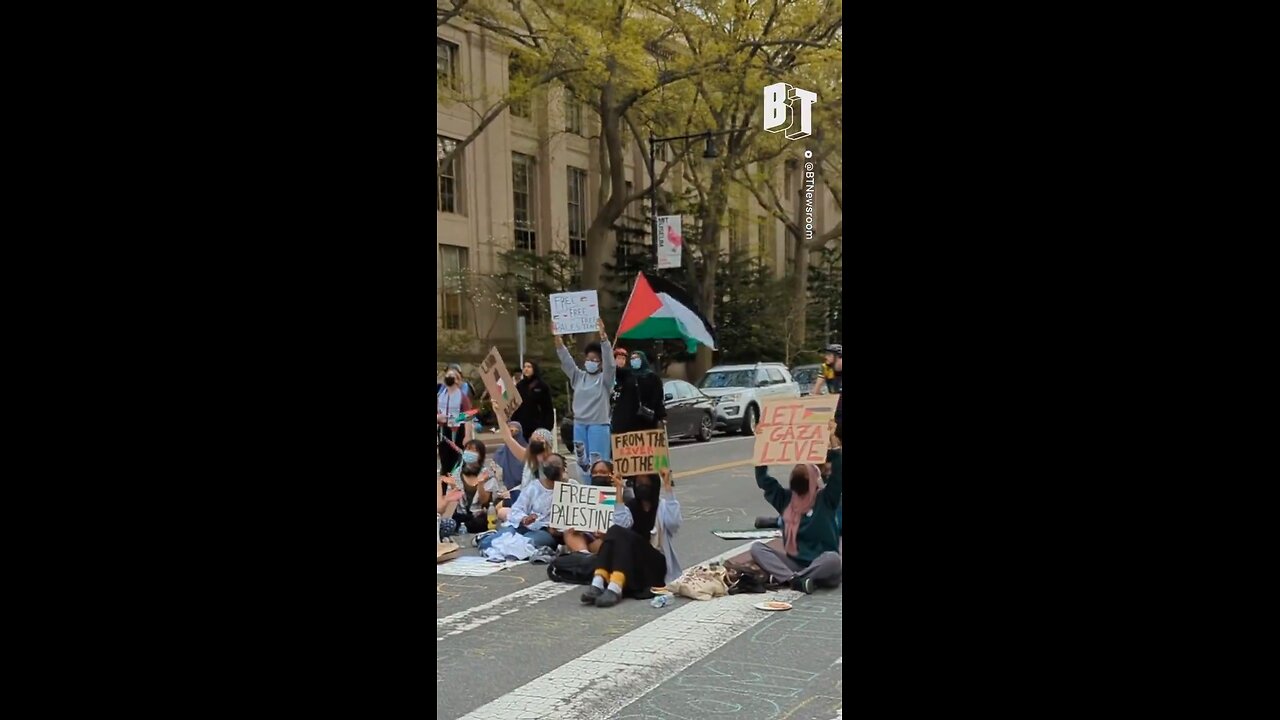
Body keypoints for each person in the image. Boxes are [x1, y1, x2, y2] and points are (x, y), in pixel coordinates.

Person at [747, 440, 843, 593]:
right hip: (795, 563)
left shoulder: (825, 499)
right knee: (757, 548)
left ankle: (793, 578)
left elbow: (838, 476)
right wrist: (762, 453)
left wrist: (831, 452)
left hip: (822, 566)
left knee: (832, 559)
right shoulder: (786, 500)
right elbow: (765, 482)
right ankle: (796, 580)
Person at [581, 467, 682, 607]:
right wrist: (618, 489)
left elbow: (674, 523)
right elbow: (621, 524)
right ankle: (598, 582)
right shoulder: (630, 507)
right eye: (639, 482)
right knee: (616, 530)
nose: (642, 486)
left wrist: (667, 486)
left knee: (618, 532)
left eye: (646, 483)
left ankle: (615, 587)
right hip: (633, 562)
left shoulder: (663, 506)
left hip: (654, 563)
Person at [556, 318, 615, 471]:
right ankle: (586, 490)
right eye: (588, 359)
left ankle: (601, 489)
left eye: (595, 359)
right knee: (582, 463)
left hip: (598, 426)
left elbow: (610, 364)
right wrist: (557, 339)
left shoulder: (605, 380)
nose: (591, 362)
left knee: (599, 463)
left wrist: (604, 339)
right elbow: (566, 361)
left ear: (600, 363)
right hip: (580, 426)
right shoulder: (578, 376)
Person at [478, 452, 566, 552]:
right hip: (523, 527)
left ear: (563, 469)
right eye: (549, 464)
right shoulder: (533, 487)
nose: (552, 467)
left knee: (525, 543)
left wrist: (557, 531)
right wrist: (525, 519)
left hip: (545, 532)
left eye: (556, 465)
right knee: (488, 543)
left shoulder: (569, 489)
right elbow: (517, 509)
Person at [439, 440, 506, 538]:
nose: (469, 452)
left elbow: (485, 502)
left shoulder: (487, 474)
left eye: (474, 450)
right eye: (468, 449)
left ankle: (465, 527)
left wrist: (480, 483)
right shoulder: (456, 474)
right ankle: (463, 526)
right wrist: (454, 487)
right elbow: (451, 504)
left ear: (481, 455)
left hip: (479, 514)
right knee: (450, 522)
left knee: (481, 522)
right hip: (461, 514)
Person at [560, 459, 617, 554]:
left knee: (607, 545)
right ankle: (583, 554)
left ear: (611, 474)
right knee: (569, 532)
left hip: (604, 540)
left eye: (602, 472)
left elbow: (623, 523)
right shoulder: (584, 495)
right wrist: (577, 526)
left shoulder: (618, 496)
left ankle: (578, 553)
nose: (598, 475)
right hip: (585, 537)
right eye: (595, 472)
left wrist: (605, 533)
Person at [610, 349, 667, 435]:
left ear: (642, 360)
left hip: (647, 418)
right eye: (632, 359)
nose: (634, 361)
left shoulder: (653, 377)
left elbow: (658, 398)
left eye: (636, 358)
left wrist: (660, 416)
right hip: (629, 419)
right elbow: (613, 370)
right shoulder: (628, 375)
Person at [436, 367, 473, 474]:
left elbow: (468, 417)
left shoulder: (463, 397)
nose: (450, 378)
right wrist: (438, 417)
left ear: (458, 380)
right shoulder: (440, 395)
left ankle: (457, 487)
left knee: (457, 462)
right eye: (448, 375)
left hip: (458, 432)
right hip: (443, 432)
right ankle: (444, 488)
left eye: (453, 376)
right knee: (445, 463)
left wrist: (468, 435)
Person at [511, 361, 555, 439]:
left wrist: (547, 426)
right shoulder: (520, 385)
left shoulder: (542, 386)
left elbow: (547, 408)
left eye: (529, 367)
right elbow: (516, 405)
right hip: (522, 425)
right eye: (524, 367)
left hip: (538, 425)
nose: (526, 369)